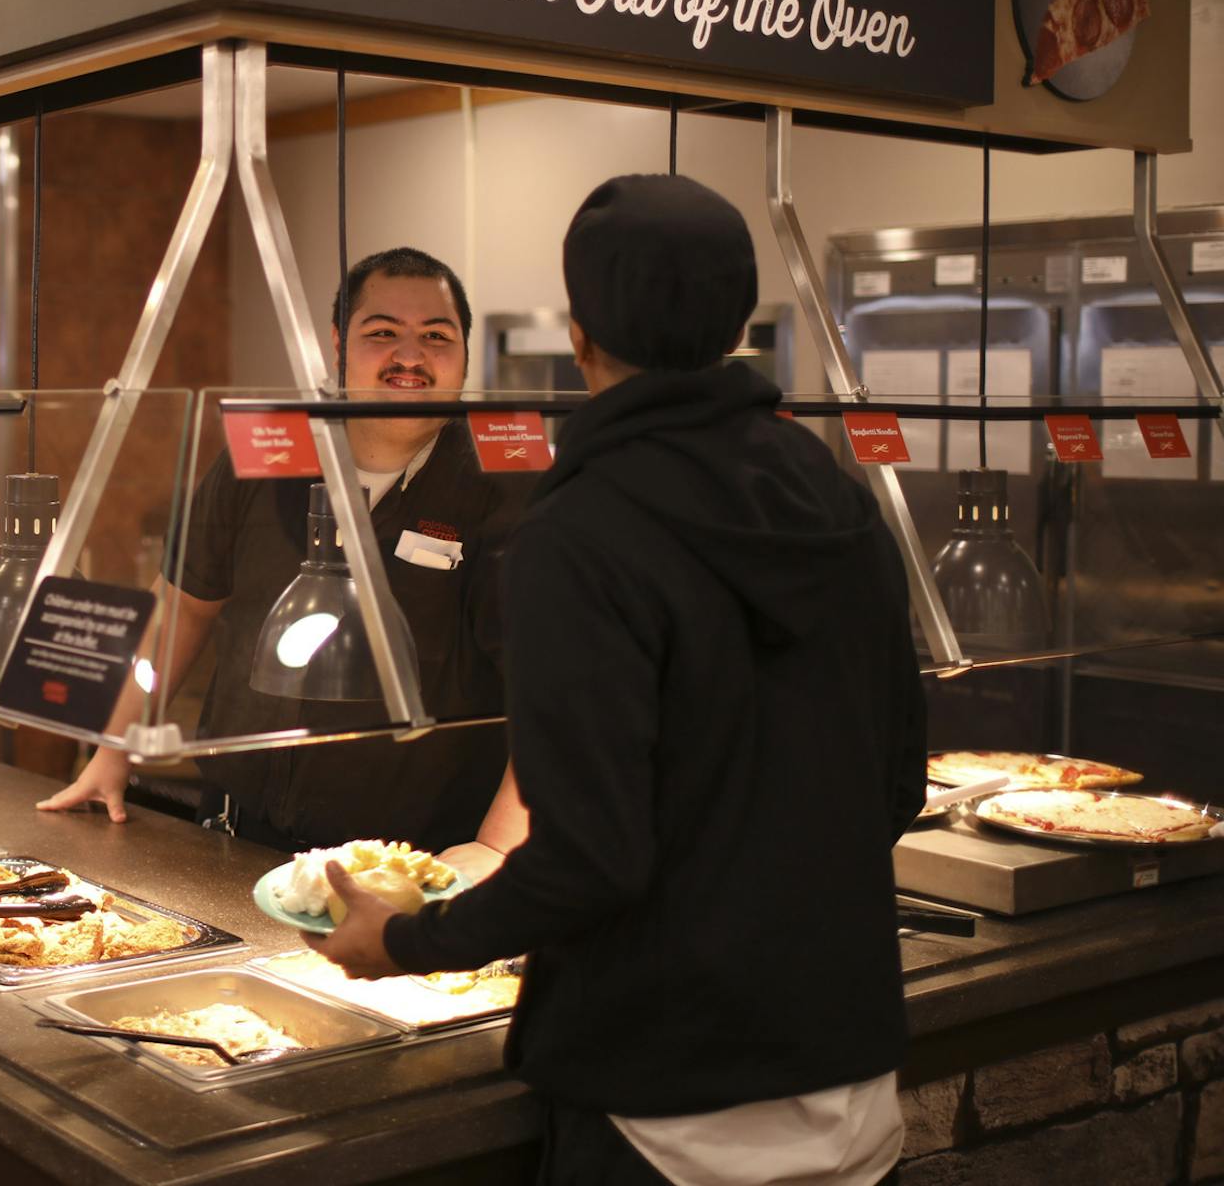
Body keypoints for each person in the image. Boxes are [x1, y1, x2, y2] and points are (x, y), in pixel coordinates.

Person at [316, 177, 926, 1186]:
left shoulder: (578, 530)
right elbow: (897, 782)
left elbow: (591, 858)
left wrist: (412, 939)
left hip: (657, 1108)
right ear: (738, 323)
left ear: (581, 333)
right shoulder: (838, 495)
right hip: (848, 1085)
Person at [39, 248, 528, 857]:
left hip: (414, 860)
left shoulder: (510, 490)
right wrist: (114, 750)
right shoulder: (267, 452)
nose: (410, 357)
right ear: (337, 343)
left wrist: (496, 849)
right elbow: (183, 609)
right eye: (383, 333)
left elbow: (559, 691)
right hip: (236, 834)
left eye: (436, 335)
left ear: (464, 353)